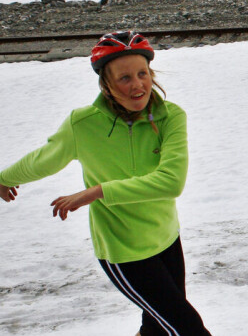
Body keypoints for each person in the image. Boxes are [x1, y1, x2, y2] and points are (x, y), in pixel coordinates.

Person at [0, 31, 211, 335]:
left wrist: (97, 191)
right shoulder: (83, 125)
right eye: (124, 78)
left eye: (142, 74)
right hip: (124, 252)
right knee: (188, 328)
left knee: (157, 328)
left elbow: (171, 182)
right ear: (107, 85)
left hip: (166, 239)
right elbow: (44, 159)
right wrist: (4, 178)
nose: (137, 85)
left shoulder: (170, 117)